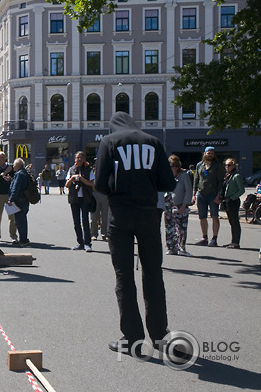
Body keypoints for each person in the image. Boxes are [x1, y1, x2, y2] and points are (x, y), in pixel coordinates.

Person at [95, 112, 176, 356]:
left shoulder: (109, 142)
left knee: (124, 276)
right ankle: (160, 336)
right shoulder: (153, 142)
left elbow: (99, 183)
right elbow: (168, 183)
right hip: (149, 214)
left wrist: (117, 187)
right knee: (153, 274)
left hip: (120, 215)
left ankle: (132, 338)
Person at [192, 146, 224, 247]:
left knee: (214, 216)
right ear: (204, 154)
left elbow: (221, 182)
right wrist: (193, 195)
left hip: (213, 194)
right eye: (208, 153)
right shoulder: (199, 165)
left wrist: (219, 195)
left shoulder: (217, 165)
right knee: (202, 217)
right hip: (201, 194)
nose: (210, 154)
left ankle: (214, 238)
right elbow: (196, 180)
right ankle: (204, 237)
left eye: (212, 153)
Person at [66, 151, 95, 252]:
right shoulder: (71, 169)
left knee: (85, 221)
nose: (79, 159)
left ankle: (87, 243)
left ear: (84, 159)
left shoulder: (89, 169)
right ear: (75, 159)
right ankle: (80, 242)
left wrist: (81, 179)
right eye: (77, 158)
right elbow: (67, 185)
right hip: (74, 198)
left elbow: (92, 183)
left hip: (85, 198)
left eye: (81, 158)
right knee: (76, 222)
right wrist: (72, 179)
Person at [164, 155, 193, 255]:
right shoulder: (166, 175)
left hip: (180, 203)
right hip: (168, 203)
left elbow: (188, 190)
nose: (174, 167)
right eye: (171, 165)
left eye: (176, 165)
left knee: (181, 228)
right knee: (169, 227)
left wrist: (184, 205)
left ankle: (182, 248)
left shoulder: (184, 175)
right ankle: (171, 248)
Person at [0, 152, 17, 243]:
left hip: (9, 194)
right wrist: (5, 172)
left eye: (2, 157)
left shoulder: (11, 166)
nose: (1, 159)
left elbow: (15, 178)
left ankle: (13, 235)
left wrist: (9, 179)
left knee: (12, 216)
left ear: (5, 158)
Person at [221, 158, 245, 248]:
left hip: (233, 201)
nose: (227, 167)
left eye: (229, 165)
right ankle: (233, 241)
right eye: (226, 165)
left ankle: (236, 242)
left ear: (234, 166)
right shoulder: (228, 175)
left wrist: (232, 197)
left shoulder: (236, 176)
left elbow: (241, 190)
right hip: (227, 200)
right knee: (231, 222)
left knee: (235, 222)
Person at [7, 158, 30, 247]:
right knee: (23, 220)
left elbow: (16, 188)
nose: (13, 166)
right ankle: (24, 238)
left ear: (18, 165)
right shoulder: (24, 172)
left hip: (19, 200)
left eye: (14, 165)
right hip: (25, 200)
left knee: (20, 221)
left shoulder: (19, 174)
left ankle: (23, 240)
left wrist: (11, 199)